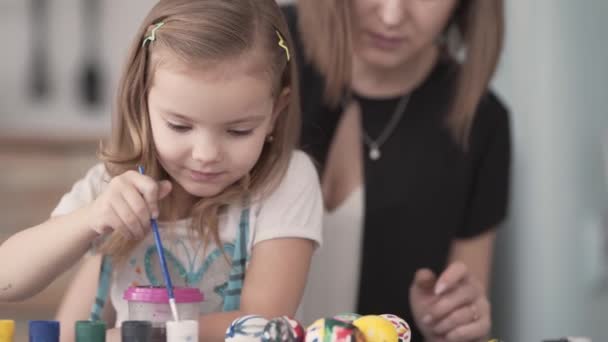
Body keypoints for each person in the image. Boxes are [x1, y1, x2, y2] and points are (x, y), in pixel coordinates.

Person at [0, 0, 323, 340]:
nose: (206, 154)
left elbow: (263, 319)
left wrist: (135, 335)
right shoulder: (111, 186)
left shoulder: (285, 181)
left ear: (276, 112)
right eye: (180, 126)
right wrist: (90, 218)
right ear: (142, 101)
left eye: (238, 131)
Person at [283, 0, 510, 341]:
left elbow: (460, 310)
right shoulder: (266, 46)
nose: (391, 16)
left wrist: (450, 321)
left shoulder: (481, 122)